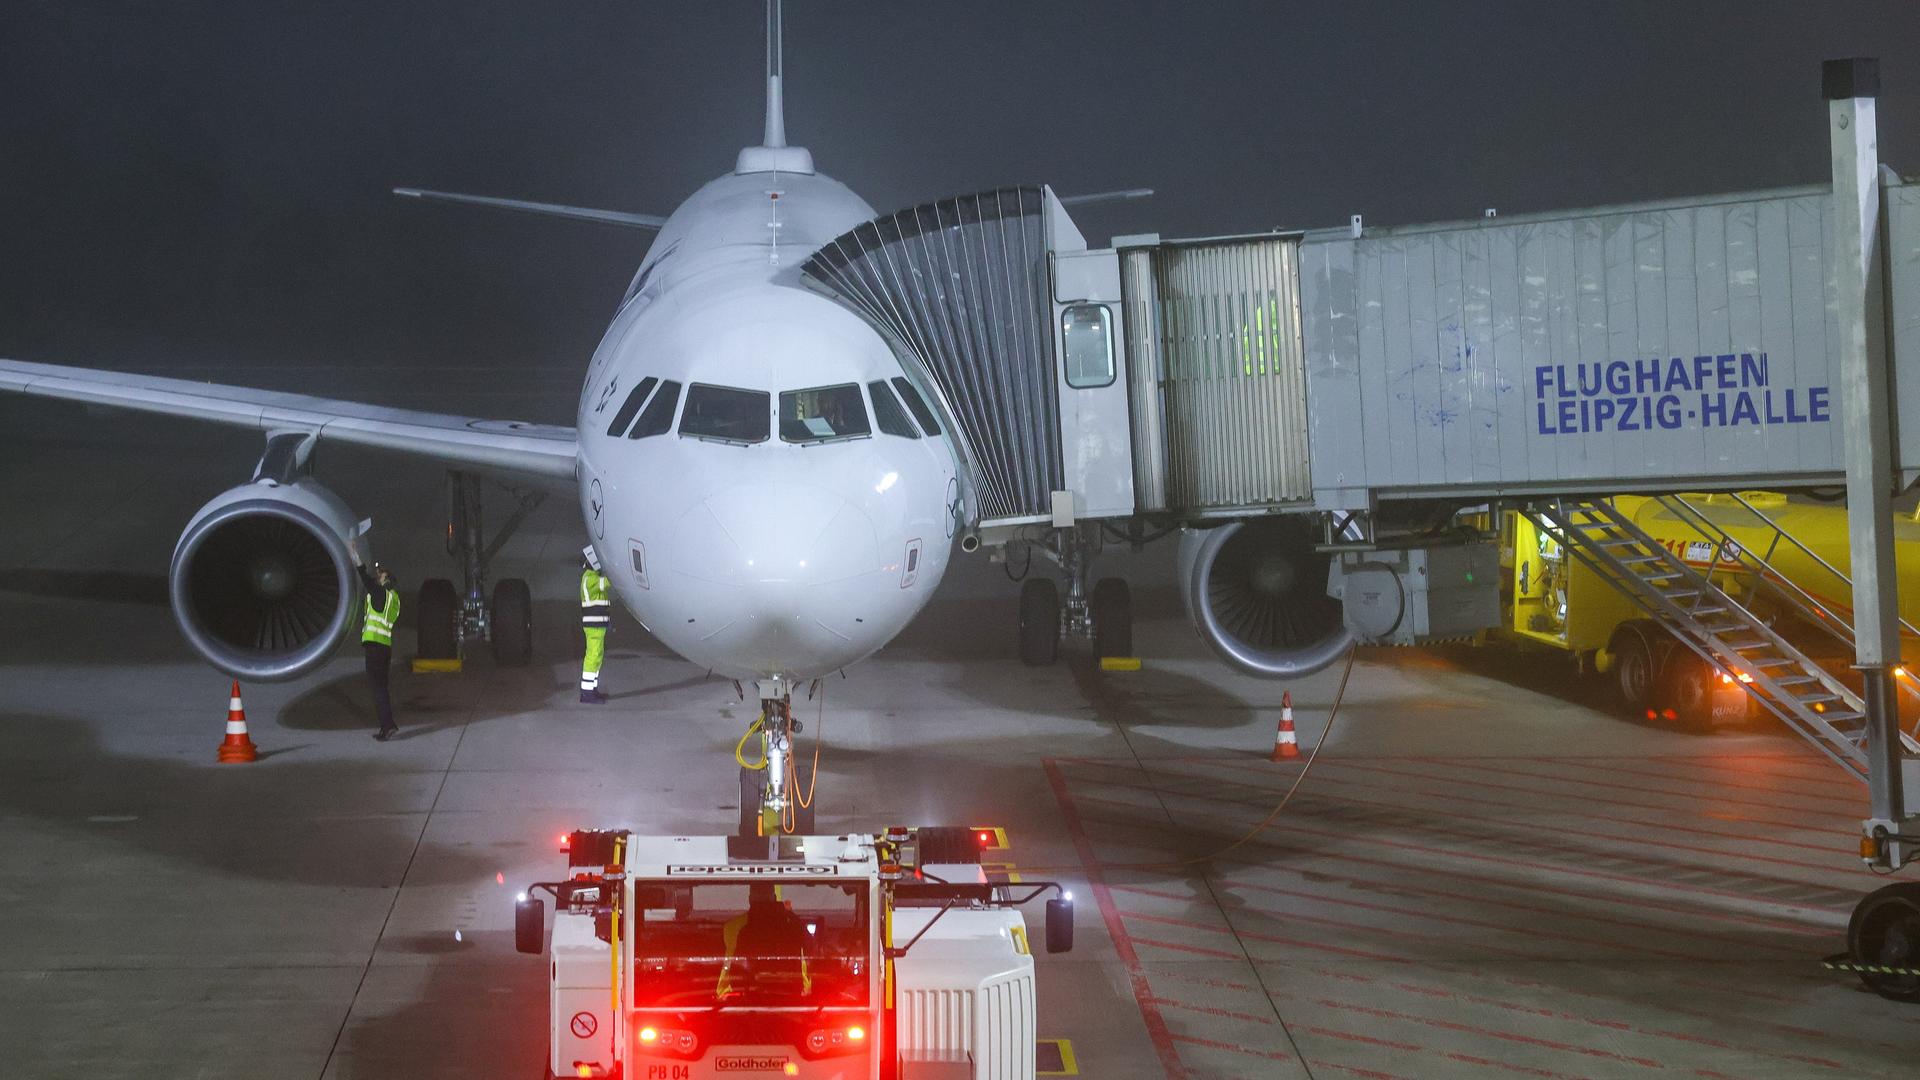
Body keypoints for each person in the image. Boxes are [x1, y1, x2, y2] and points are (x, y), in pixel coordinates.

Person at [716, 884, 811, 1000]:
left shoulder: (742, 931)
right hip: (790, 998)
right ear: (775, 898)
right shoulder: (792, 927)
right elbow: (812, 950)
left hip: (752, 999)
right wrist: (791, 915)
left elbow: (736, 975)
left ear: (750, 900)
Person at [355, 555, 400, 741]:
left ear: (386, 580)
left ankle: (387, 726)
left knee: (378, 689)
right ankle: (389, 723)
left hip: (374, 647)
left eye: (381, 575)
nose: (378, 576)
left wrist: (356, 559)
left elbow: (366, 580)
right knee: (383, 687)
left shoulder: (380, 594)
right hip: (385, 648)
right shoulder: (394, 599)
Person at [580, 544, 610, 704]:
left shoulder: (591, 577)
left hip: (598, 625)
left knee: (597, 657)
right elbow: (608, 582)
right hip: (594, 626)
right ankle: (587, 693)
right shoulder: (591, 579)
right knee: (592, 657)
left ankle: (592, 689)